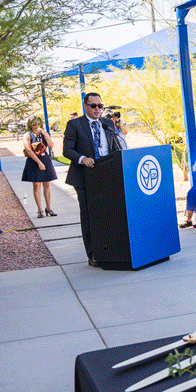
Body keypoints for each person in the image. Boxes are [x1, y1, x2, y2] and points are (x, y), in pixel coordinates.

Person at [63, 92, 123, 264]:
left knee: (109, 213)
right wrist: (83, 159)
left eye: (100, 106)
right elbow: (67, 150)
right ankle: (93, 254)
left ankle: (112, 249)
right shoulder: (75, 125)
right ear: (85, 106)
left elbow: (115, 146)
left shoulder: (107, 123)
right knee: (89, 215)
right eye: (94, 106)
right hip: (84, 176)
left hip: (107, 174)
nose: (98, 109)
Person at [20, 115, 57, 219]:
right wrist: (39, 163)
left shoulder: (43, 134)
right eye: (34, 124)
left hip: (45, 158)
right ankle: (39, 209)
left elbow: (51, 145)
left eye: (38, 124)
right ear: (30, 125)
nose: (36, 126)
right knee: (36, 185)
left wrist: (44, 133)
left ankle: (49, 208)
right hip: (34, 160)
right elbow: (28, 150)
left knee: (47, 184)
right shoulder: (27, 135)